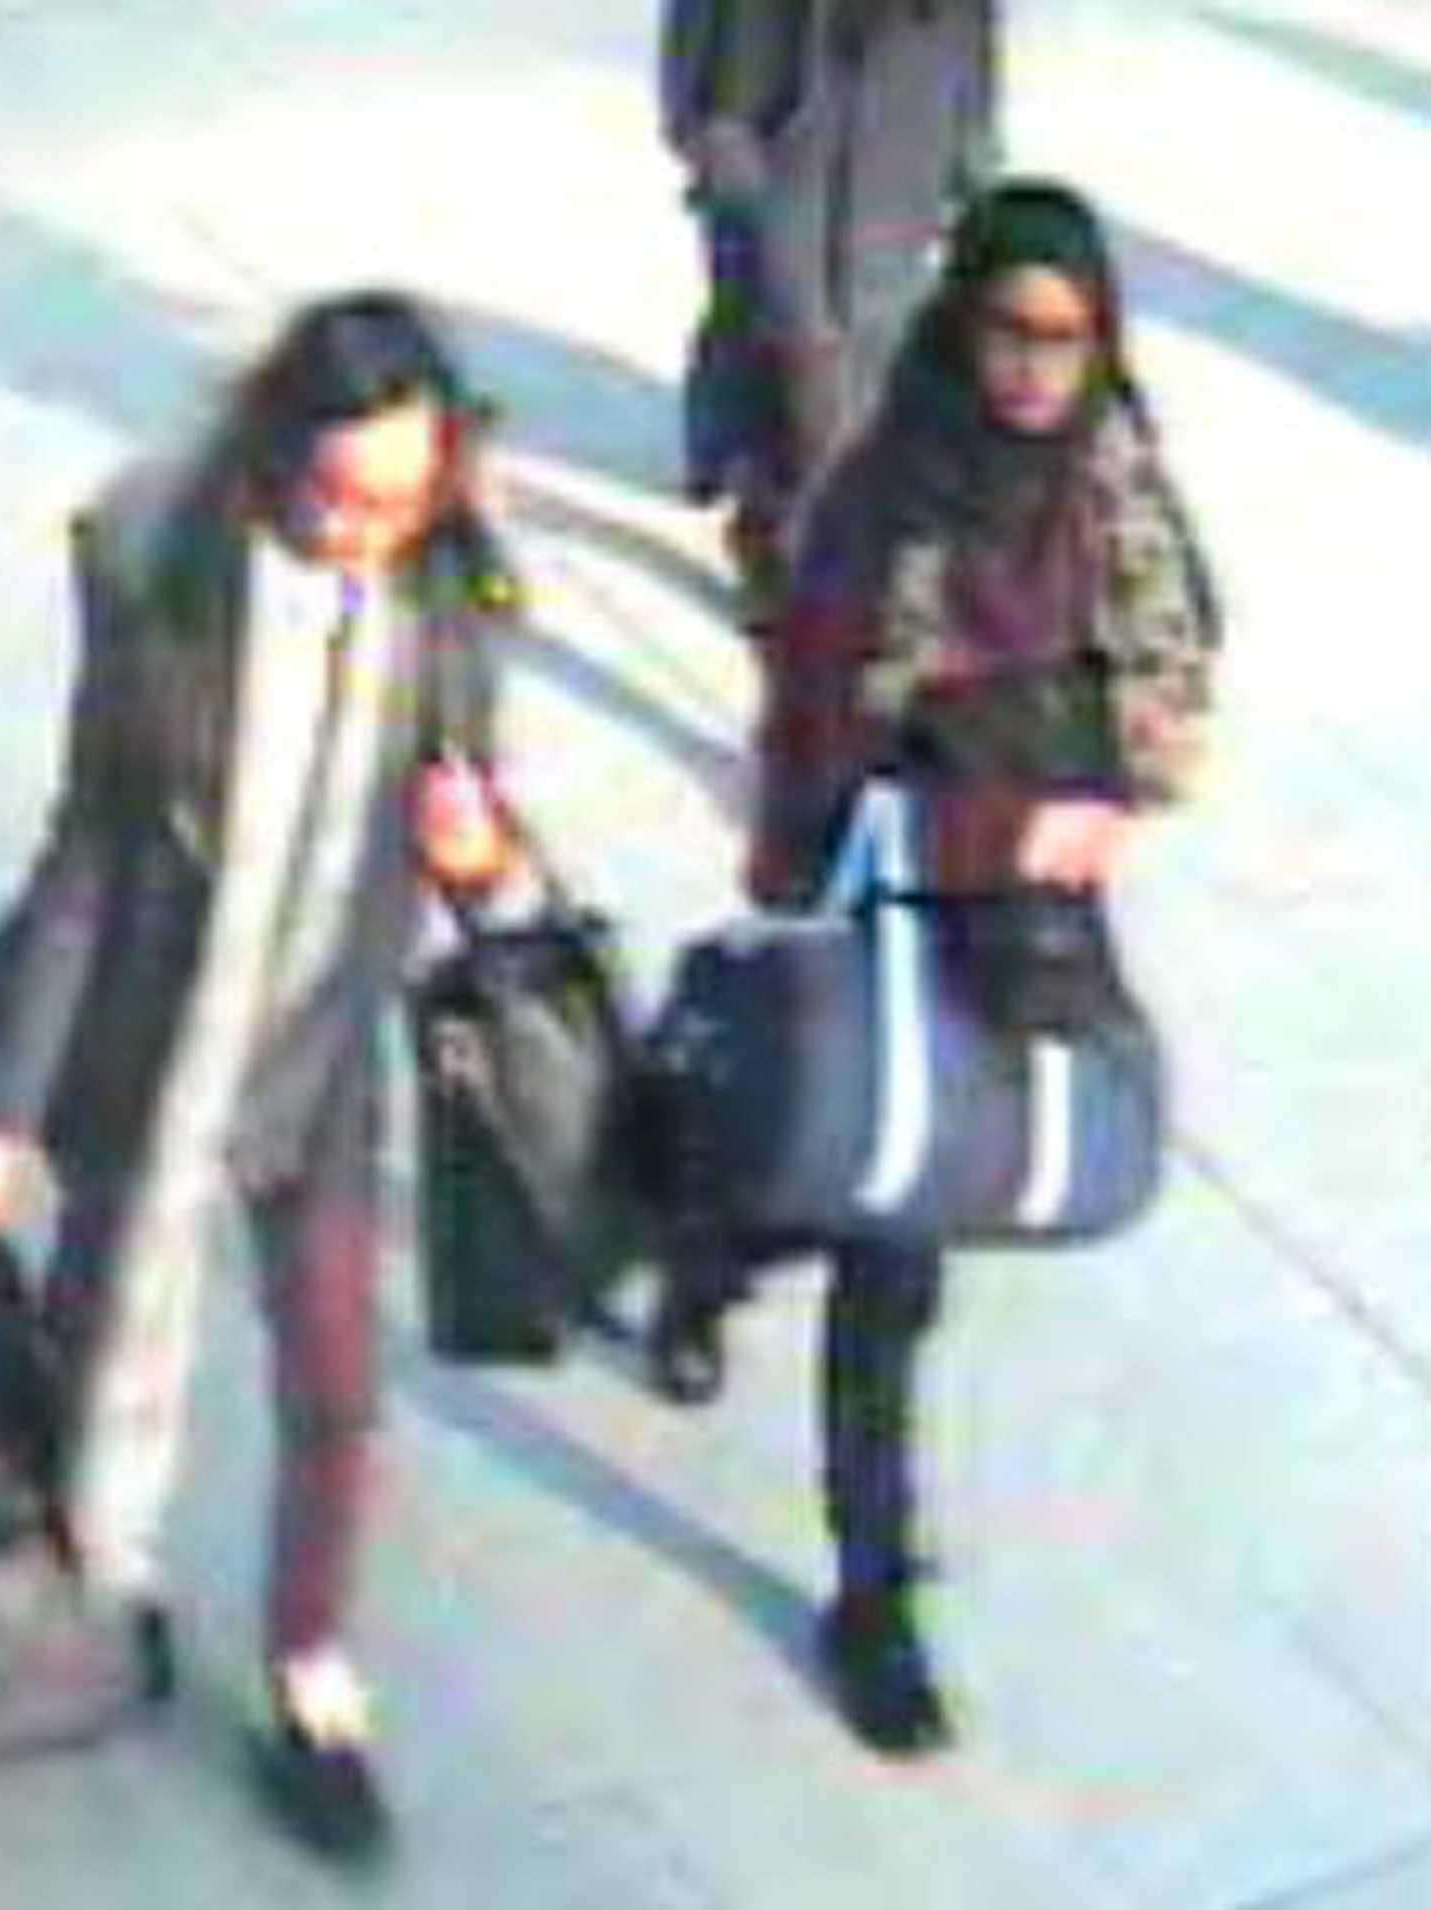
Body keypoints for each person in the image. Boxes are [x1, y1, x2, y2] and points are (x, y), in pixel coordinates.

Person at [0, 291, 519, 1866]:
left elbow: (477, 838)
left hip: (317, 1073)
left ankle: (310, 1669)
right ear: (273, 460)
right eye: (336, 497)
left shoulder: (449, 597)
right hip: (152, 1056)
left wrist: (480, 856)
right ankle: (92, 1600)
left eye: (400, 498)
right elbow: (88, 864)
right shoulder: (171, 598)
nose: (364, 532)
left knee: (337, 1392)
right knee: (92, 1331)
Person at [647, 180, 1221, 1757]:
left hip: (1032, 914)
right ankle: (872, 1586)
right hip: (890, 888)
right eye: (1010, 330)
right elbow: (821, 716)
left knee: (910, 1202)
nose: (1037, 367)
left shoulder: (1117, 484)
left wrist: (1111, 794)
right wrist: (923, 818)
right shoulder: (884, 491)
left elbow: (1175, 686)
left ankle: (710, 1248)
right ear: (960, 323)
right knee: (881, 1222)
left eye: (1069, 336)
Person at [661, 0, 1001, 627]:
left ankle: (817, 524)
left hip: (905, 111)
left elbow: (975, 23)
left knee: (873, 335)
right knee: (794, 326)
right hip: (769, 109)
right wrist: (697, 116)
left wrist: (973, 141)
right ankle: (791, 540)